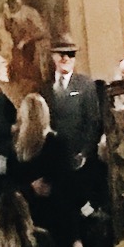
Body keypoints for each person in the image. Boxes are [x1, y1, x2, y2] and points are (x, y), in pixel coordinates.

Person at [7, 93, 75, 247]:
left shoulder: (16, 149)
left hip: (26, 220)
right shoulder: (57, 144)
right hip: (56, 220)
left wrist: (28, 189)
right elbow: (69, 190)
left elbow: (9, 187)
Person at [44, 41, 102, 181]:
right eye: (61, 54)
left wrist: (85, 152)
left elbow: (93, 120)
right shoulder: (45, 87)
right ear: (53, 56)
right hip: (53, 158)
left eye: (70, 54)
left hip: (78, 155)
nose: (66, 58)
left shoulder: (86, 84)